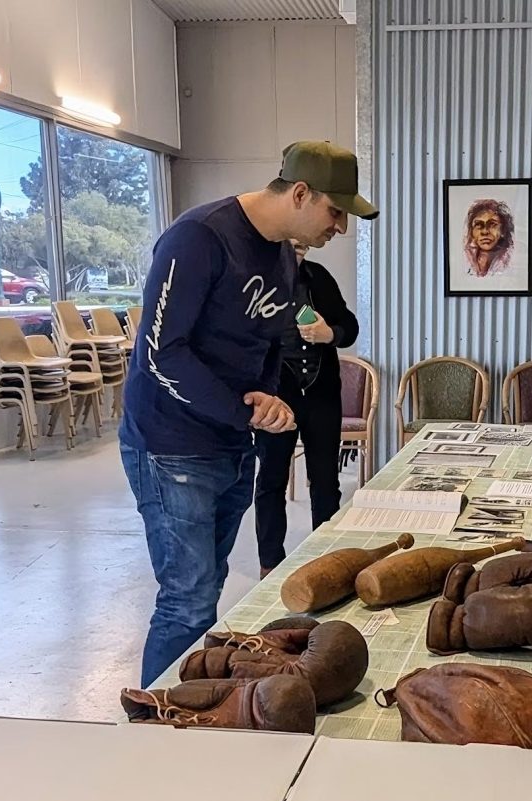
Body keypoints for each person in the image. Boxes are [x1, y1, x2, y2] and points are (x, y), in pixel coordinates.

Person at [119, 140, 378, 688]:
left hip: (232, 445)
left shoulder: (283, 255)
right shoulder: (199, 239)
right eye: (336, 213)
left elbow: (265, 345)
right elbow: (160, 352)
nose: (341, 228)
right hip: (172, 444)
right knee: (187, 601)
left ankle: (193, 701)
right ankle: (151, 728)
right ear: (301, 194)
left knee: (207, 587)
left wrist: (265, 397)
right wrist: (245, 413)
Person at [253, 241, 359, 575]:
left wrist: (331, 334)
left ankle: (325, 560)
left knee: (326, 480)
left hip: (322, 394)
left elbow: (350, 328)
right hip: (275, 395)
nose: (299, 246)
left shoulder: (320, 278)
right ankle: (270, 564)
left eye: (302, 243)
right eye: (291, 240)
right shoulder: (254, 283)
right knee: (271, 479)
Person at [464, 199, 515, 277]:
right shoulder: (466, 263)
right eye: (478, 225)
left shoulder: (510, 264)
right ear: (471, 231)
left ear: (503, 230)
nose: (485, 231)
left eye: (492, 224)